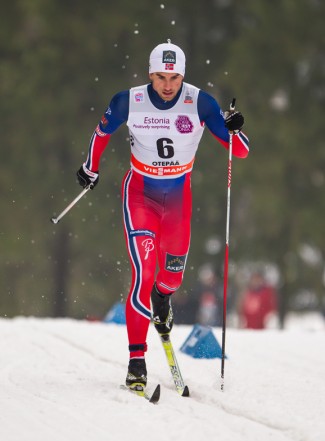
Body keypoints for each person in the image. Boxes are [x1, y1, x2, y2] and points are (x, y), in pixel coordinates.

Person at [76, 40, 249, 390]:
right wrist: (90, 168)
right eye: (160, 76)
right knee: (144, 272)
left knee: (170, 279)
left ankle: (163, 298)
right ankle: (136, 360)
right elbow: (101, 133)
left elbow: (240, 151)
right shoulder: (129, 100)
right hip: (140, 195)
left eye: (174, 77)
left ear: (182, 75)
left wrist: (234, 128)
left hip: (178, 201)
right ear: (149, 74)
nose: (167, 85)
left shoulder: (200, 102)